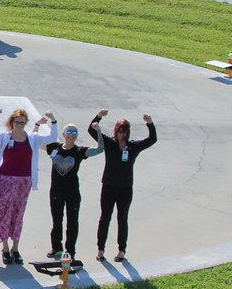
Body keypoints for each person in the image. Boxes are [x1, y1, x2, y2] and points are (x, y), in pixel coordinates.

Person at [0, 108, 57, 265]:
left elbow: (52, 137)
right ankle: (4, 247)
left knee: (18, 214)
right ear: (12, 122)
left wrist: (53, 120)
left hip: (24, 181)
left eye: (23, 123)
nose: (20, 125)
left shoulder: (32, 138)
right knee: (4, 211)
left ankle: (15, 248)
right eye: (17, 122)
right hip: (6, 180)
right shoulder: (5, 137)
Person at [88, 109, 158, 262]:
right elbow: (91, 130)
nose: (122, 135)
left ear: (128, 133)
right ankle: (100, 250)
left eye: (124, 132)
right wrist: (98, 117)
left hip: (125, 189)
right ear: (116, 131)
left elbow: (152, 139)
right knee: (105, 218)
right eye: (119, 131)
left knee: (122, 218)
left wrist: (150, 123)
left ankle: (122, 251)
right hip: (108, 186)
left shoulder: (133, 146)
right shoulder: (109, 143)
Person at [46, 123, 102, 259]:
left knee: (72, 221)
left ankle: (70, 250)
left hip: (72, 192)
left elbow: (100, 149)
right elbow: (36, 143)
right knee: (57, 220)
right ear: (63, 134)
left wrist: (99, 131)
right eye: (68, 132)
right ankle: (57, 248)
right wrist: (40, 125)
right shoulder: (54, 147)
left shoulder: (80, 151)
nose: (71, 135)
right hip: (56, 191)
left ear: (77, 135)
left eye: (74, 132)